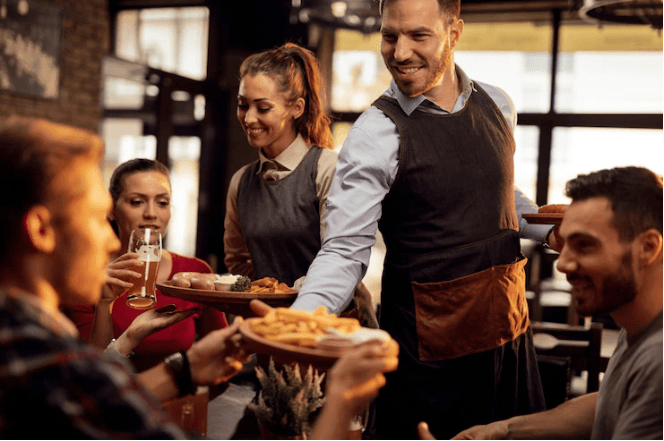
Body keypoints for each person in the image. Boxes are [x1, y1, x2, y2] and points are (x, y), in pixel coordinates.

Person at [290, 0, 560, 438]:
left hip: (510, 343)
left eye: (419, 36)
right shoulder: (373, 134)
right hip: (428, 365)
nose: (399, 53)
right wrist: (298, 326)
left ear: (454, 33)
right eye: (390, 36)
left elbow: (503, 197)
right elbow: (343, 250)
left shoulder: (498, 104)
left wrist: (559, 229)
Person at [0, 116, 249, 438]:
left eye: (162, 202)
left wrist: (184, 371)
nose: (113, 241)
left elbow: (90, 399)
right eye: (96, 218)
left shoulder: (27, 335)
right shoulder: (41, 356)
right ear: (40, 230)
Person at [420, 166, 662, 440]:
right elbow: (610, 403)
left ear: (648, 247)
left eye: (585, 245)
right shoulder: (637, 326)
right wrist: (501, 431)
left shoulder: (658, 360)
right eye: (565, 243)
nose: (563, 264)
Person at [224, 42, 377, 327]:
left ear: (296, 108)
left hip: (335, 325)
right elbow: (238, 261)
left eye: (263, 107)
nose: (248, 118)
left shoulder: (327, 169)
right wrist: (263, 296)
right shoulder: (241, 182)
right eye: (243, 105)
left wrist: (292, 297)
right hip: (273, 325)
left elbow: (342, 261)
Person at [63, 158, 228, 372]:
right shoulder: (84, 274)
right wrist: (103, 304)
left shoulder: (195, 272)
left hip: (178, 403)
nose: (151, 213)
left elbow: (222, 356)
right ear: (111, 209)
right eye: (137, 202)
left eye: (162, 202)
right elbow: (88, 372)